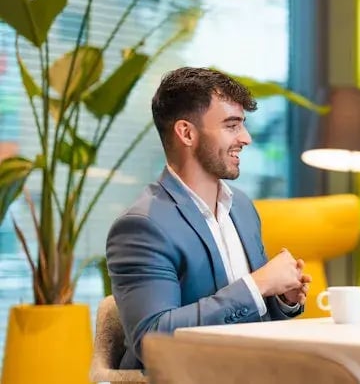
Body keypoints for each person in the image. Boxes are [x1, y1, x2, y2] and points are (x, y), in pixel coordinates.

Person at [106, 67, 311, 369]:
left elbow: (253, 314)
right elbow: (152, 340)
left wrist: (282, 298)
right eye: (231, 125)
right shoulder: (142, 226)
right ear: (187, 133)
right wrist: (257, 285)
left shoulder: (241, 207)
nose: (246, 138)